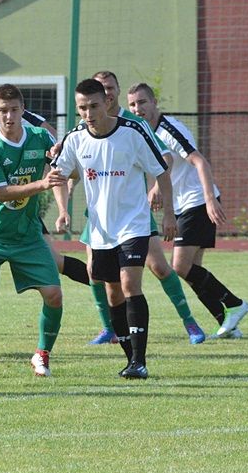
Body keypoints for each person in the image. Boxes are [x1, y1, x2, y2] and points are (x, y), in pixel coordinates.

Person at [53, 78, 177, 379]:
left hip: (133, 224)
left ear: (107, 103)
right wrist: (62, 210)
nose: (88, 113)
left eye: (94, 106)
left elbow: (161, 171)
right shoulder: (75, 139)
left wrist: (169, 216)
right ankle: (130, 358)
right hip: (100, 231)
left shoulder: (132, 132)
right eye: (82, 108)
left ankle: (139, 360)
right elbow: (58, 175)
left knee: (130, 284)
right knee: (112, 294)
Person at [81, 70, 205, 345]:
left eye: (110, 87)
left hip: (132, 213)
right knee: (94, 273)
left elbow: (165, 157)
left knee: (160, 267)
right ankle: (109, 328)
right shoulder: (84, 124)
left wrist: (157, 187)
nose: (107, 92)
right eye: (101, 88)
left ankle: (190, 322)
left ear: (114, 91)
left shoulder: (134, 122)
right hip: (99, 215)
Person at [0, 73, 91, 291]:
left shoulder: (9, 114)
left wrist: (54, 152)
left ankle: (102, 286)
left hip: (21, 206)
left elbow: (50, 142)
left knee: (55, 262)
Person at [127, 83, 248, 337]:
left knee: (180, 267)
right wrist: (155, 189)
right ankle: (225, 321)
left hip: (196, 202)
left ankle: (235, 304)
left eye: (142, 102)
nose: (137, 109)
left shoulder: (168, 128)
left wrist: (209, 199)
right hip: (184, 204)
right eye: (133, 104)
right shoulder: (144, 132)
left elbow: (199, 161)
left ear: (154, 103)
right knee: (193, 272)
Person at [0, 84, 67, 379]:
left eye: (14, 110)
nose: (9, 117)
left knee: (54, 295)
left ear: (23, 110)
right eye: (3, 111)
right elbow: (2, 193)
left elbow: (58, 173)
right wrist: (41, 185)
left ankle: (42, 354)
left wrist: (62, 210)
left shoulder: (40, 137)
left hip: (27, 233)